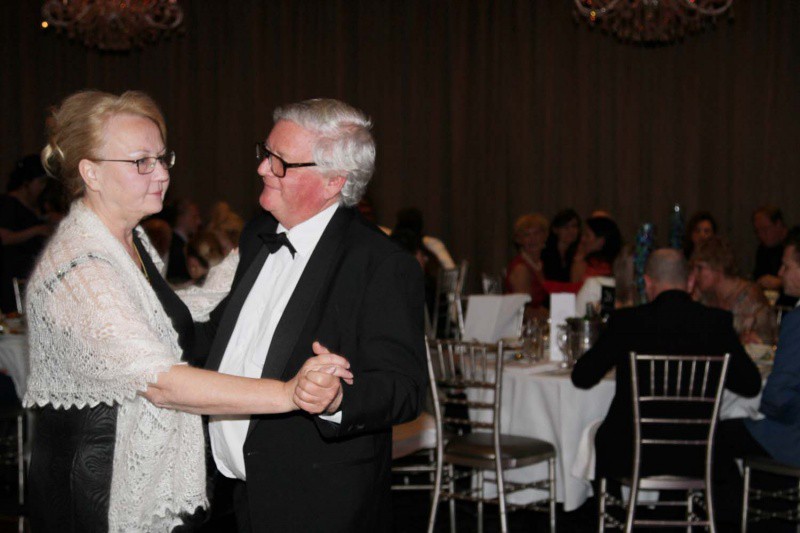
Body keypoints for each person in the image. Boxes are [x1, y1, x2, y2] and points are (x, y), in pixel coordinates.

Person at [23, 90, 352, 533]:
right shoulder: (81, 270)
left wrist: (253, 257)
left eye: (162, 158)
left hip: (122, 473)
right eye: (141, 162)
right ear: (91, 172)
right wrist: (288, 394)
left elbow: (169, 316)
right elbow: (162, 382)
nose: (161, 173)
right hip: (100, 490)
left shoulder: (127, 241)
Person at [200, 98, 427, 532]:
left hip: (321, 504)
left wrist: (337, 399)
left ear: (333, 182)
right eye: (265, 153)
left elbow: (404, 389)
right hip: (240, 496)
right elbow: (225, 336)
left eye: (280, 161)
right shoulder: (258, 233)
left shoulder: (380, 263)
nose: (263, 168)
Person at [571, 248, 761, 482]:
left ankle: (611, 504)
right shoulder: (716, 323)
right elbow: (750, 385)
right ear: (690, 282)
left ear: (647, 282)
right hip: (698, 452)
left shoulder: (627, 321)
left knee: (602, 435)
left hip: (631, 452)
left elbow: (582, 377)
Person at [713, 230, 800, 530]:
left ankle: (735, 521)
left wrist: (759, 410)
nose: (780, 273)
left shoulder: (797, 319)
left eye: (787, 265)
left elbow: (780, 396)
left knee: (713, 436)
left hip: (793, 435)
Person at [691, 235, 776, 344]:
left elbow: (765, 340)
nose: (694, 274)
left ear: (718, 267)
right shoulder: (706, 296)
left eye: (700, 268)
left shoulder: (750, 297)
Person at [0, 155, 53, 312]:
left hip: (30, 272)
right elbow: (4, 237)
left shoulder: (37, 204)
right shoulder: (8, 204)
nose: (43, 187)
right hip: (12, 275)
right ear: (26, 182)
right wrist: (37, 230)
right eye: (40, 182)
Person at [503, 213, 548, 314]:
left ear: (545, 236)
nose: (532, 239)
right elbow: (522, 310)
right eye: (527, 235)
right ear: (519, 240)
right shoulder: (521, 268)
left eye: (536, 233)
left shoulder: (540, 264)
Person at [570, 215, 622, 284]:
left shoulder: (618, 265)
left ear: (601, 241)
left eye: (587, 235)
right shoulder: (581, 261)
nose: (582, 239)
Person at [166, 197, 202, 284]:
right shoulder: (173, 246)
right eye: (194, 216)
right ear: (181, 217)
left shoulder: (184, 244)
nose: (199, 221)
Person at [541, 208, 581, 282]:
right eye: (566, 227)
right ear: (555, 230)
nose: (571, 231)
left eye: (574, 226)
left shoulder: (579, 253)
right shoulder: (544, 253)